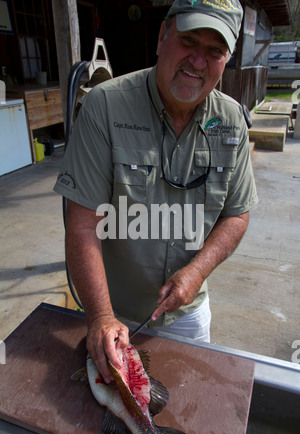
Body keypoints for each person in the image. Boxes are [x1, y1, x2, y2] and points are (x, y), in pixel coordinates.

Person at [54, 0, 258, 384]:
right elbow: (82, 225)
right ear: (163, 36)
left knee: (183, 407)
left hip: (187, 315)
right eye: (188, 40)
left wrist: (197, 272)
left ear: (226, 59)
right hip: (114, 312)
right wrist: (99, 315)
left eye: (213, 51)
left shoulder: (231, 120)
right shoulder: (105, 107)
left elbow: (237, 213)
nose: (198, 61)